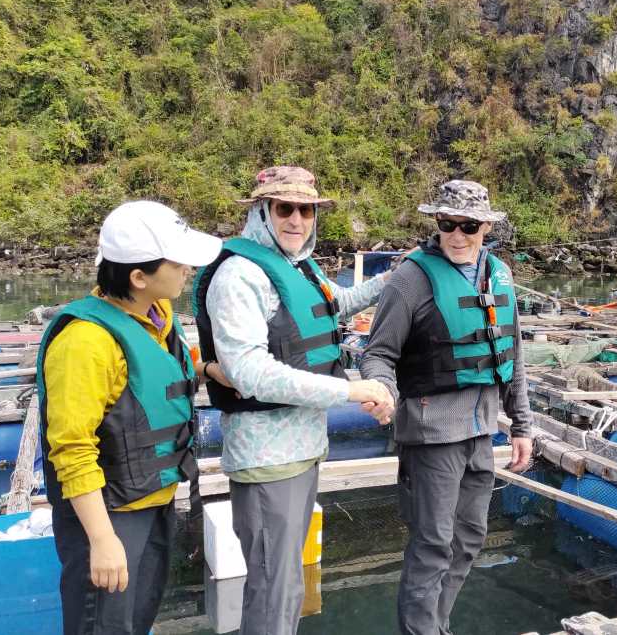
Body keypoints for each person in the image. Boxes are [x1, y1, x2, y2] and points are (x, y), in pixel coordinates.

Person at [193, 166, 395, 634]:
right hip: (267, 458)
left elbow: (333, 303)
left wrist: (387, 283)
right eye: (285, 208)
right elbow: (249, 371)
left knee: (289, 588)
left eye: (306, 210)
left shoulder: (299, 265)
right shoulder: (239, 274)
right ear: (262, 211)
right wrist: (350, 390)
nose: (297, 220)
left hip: (302, 451)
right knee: (271, 587)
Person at [38, 200, 225, 634]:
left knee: (137, 622)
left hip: (155, 502)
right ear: (138, 277)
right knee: (102, 625)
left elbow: (150, 383)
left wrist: (208, 370)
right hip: (109, 516)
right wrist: (102, 541)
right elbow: (71, 447)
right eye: (178, 262)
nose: (187, 270)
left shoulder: (156, 316)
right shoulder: (85, 342)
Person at [359, 180, 534, 635]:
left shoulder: (499, 274)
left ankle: (436, 626)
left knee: (469, 539)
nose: (457, 235)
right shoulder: (410, 279)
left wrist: (522, 426)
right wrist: (380, 388)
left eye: (469, 226)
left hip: (480, 432)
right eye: (447, 224)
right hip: (431, 433)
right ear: (436, 223)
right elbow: (377, 353)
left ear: (486, 227)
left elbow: (512, 354)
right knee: (432, 543)